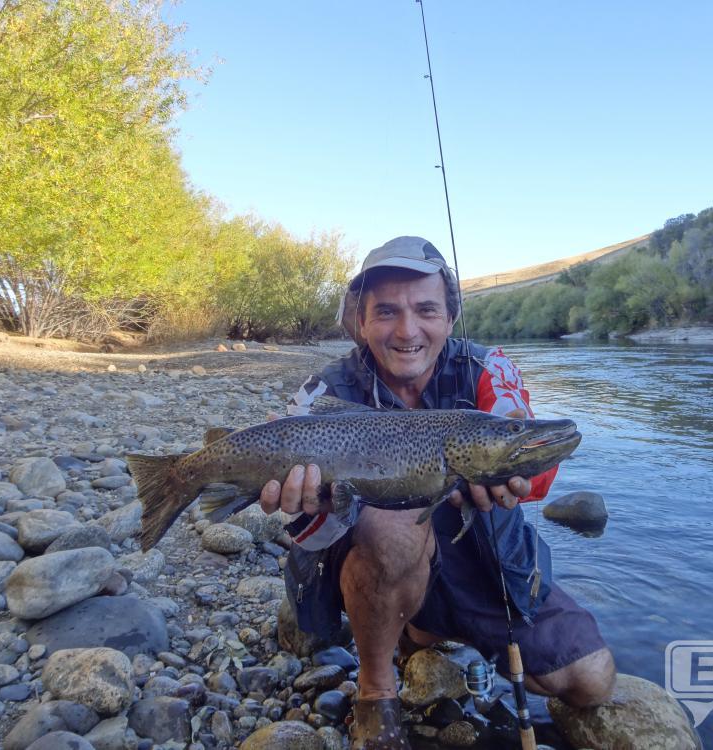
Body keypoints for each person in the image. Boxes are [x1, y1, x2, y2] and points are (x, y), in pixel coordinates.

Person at [259, 236, 615, 749]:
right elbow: (309, 539)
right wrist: (309, 505)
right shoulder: (322, 394)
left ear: (450, 318)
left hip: (483, 561)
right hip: (372, 560)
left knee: (592, 679)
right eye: (386, 312)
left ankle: (422, 630)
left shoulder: (490, 370)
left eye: (426, 310)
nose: (407, 330)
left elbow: (527, 455)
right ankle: (376, 690)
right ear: (361, 323)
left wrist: (514, 474)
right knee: (394, 525)